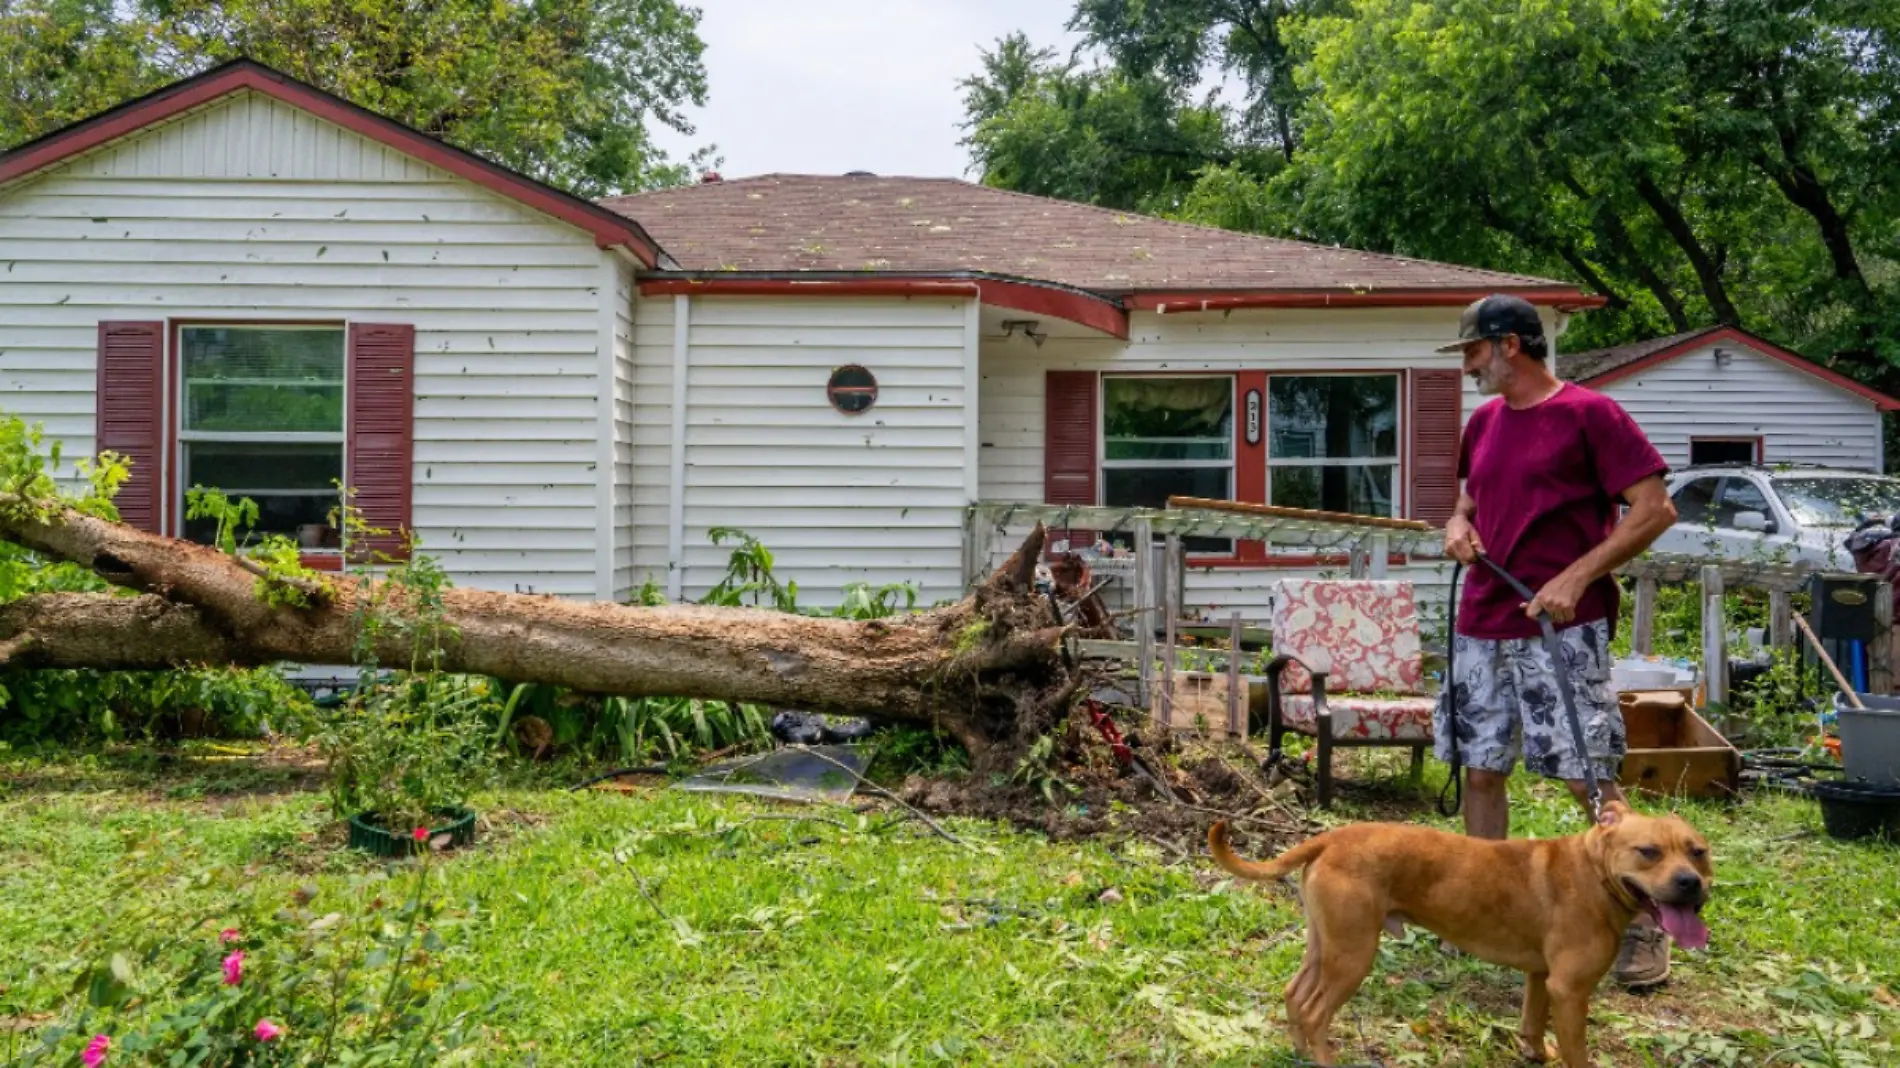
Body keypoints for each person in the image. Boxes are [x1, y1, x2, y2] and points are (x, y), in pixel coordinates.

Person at [1433, 294, 1681, 990]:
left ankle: (1639, 923)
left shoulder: (1589, 414)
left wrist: (1576, 576)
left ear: (1510, 345)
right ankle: (1484, 915)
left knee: (1585, 775)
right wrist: (1457, 524)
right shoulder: (1482, 423)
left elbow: (1655, 508)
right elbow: (1468, 499)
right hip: (1483, 619)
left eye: (1474, 352)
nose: (1469, 366)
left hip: (1561, 626)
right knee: (1482, 769)